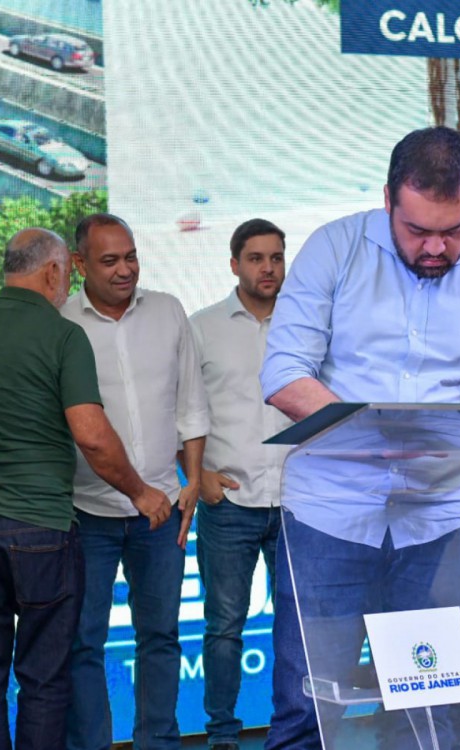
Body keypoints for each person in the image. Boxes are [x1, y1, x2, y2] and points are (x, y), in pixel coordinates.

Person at [258, 126, 460, 750]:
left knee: (437, 709)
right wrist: (380, 433)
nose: (436, 247)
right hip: (331, 516)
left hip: (442, 523)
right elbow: (284, 376)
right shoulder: (334, 250)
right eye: (418, 231)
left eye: (454, 231)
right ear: (388, 201)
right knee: (306, 704)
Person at [0, 228, 172, 750]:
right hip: (41, 530)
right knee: (44, 680)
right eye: (68, 275)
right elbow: (92, 436)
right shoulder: (63, 335)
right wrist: (141, 493)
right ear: (52, 272)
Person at [61, 214, 210, 750]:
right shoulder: (61, 321)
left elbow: (192, 403)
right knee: (82, 644)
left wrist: (192, 478)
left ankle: (159, 743)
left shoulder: (168, 310)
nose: (125, 270)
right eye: (109, 260)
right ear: (79, 265)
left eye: (130, 257)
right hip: (85, 511)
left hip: (162, 509)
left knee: (161, 638)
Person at [188, 218, 292, 750]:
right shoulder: (202, 327)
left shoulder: (306, 325)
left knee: (295, 627)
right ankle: (223, 733)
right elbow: (178, 410)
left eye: (276, 257)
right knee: (224, 626)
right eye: (256, 258)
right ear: (234, 265)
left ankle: (293, 727)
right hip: (229, 501)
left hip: (296, 502)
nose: (268, 267)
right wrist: (197, 476)